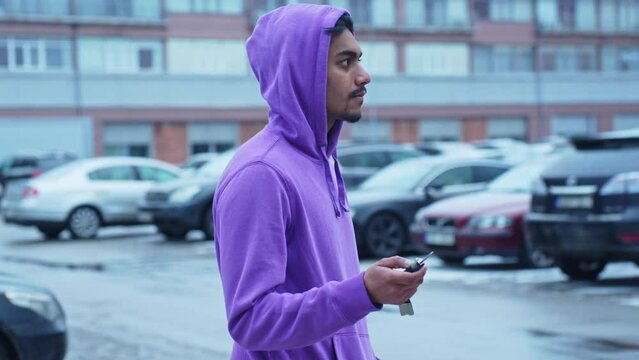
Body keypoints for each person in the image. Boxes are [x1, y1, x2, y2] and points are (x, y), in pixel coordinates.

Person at [213, 4, 428, 359]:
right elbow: (251, 320)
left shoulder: (322, 161)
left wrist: (367, 287)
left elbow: (330, 307)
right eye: (346, 63)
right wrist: (363, 292)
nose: (364, 76)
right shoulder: (261, 174)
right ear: (302, 73)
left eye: (359, 59)